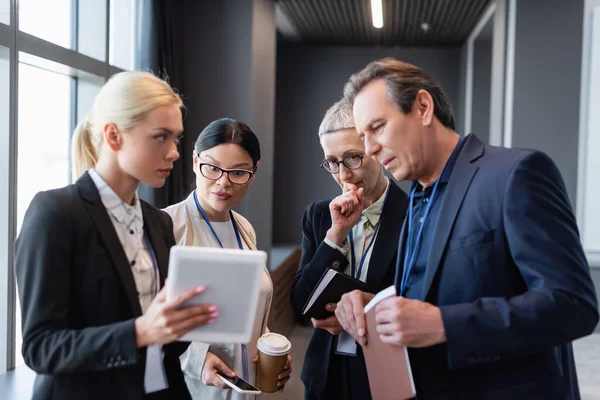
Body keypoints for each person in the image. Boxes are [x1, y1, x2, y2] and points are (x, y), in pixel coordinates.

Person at [333, 57, 600, 400]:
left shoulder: (516, 174)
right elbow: (427, 299)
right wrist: (375, 309)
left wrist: (446, 324)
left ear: (424, 108)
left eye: (378, 127)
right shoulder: (415, 195)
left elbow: (573, 306)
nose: (369, 148)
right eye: (363, 136)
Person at [15, 71, 217, 400]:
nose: (175, 152)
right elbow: (41, 347)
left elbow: (162, 339)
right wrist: (140, 332)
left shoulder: (158, 223)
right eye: (161, 137)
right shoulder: (54, 213)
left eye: (176, 138)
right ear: (113, 136)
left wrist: (192, 322)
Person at [163, 118, 292, 399]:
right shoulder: (168, 226)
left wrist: (269, 346)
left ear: (254, 172)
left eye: (238, 172)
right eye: (212, 168)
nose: (223, 182)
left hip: (245, 386)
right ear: (196, 161)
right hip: (194, 389)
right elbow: (150, 318)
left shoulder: (244, 229)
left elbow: (249, 311)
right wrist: (197, 359)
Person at [290, 99, 408, 400]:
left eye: (353, 158)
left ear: (377, 149)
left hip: (385, 369)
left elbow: (422, 298)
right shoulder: (318, 215)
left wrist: (364, 314)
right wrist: (335, 234)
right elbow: (299, 301)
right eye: (332, 162)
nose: (343, 175)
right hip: (324, 370)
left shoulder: (415, 214)